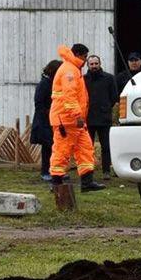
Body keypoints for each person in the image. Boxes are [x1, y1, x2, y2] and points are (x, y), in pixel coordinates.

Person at [49, 44, 105, 192]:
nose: (86, 60)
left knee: (86, 149)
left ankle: (87, 182)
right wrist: (78, 115)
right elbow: (69, 96)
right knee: (62, 151)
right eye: (85, 57)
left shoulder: (73, 69)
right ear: (80, 55)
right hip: (67, 120)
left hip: (74, 121)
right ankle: (56, 184)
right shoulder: (69, 70)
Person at [84, 55, 118, 180]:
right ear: (88, 65)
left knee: (106, 146)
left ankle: (106, 171)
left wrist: (106, 106)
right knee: (87, 147)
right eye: (91, 64)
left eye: (96, 63)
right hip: (88, 118)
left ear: (100, 63)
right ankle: (87, 170)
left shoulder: (109, 78)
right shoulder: (83, 79)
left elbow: (114, 97)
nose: (94, 66)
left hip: (104, 118)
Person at [31, 60, 61, 182]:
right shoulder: (44, 84)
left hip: (52, 120)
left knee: (54, 146)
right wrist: (49, 112)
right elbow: (39, 102)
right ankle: (45, 171)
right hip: (44, 122)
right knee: (47, 147)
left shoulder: (52, 83)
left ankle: (54, 170)